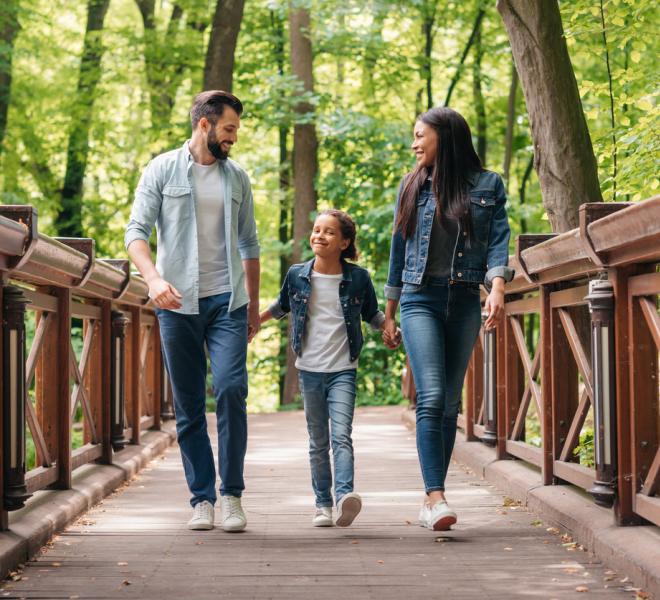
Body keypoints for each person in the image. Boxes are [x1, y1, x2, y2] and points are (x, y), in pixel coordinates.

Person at [125, 90, 260, 532]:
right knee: (187, 404)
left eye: (235, 129)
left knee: (230, 389)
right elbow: (136, 233)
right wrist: (154, 279)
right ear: (204, 124)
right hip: (177, 304)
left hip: (228, 302)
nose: (233, 137)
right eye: (229, 128)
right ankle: (201, 498)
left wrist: (253, 307)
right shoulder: (161, 169)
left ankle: (232, 495)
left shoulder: (237, 177)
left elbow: (249, 245)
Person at [382, 107, 513, 531]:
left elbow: (498, 241)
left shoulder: (487, 185)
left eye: (421, 135)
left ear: (447, 136)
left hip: (464, 301)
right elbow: (398, 251)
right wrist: (389, 310)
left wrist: (497, 286)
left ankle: (430, 499)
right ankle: (435, 495)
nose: (415, 143)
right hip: (420, 298)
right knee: (433, 396)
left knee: (450, 403)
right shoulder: (411, 185)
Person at [260, 210, 397, 527]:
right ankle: (322, 504)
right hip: (308, 370)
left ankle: (345, 496)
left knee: (341, 436)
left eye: (329, 232)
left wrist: (389, 329)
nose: (319, 235)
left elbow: (372, 313)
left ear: (344, 242)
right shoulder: (297, 275)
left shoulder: (358, 278)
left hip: (343, 369)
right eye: (316, 230)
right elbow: (280, 306)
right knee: (318, 441)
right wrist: (253, 323)